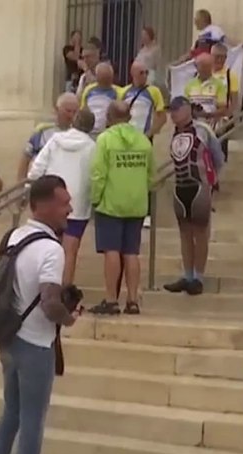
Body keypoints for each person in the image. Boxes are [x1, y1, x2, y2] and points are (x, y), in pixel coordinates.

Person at [0, 175, 78, 454]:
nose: (69, 207)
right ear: (44, 204)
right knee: (32, 420)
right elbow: (50, 301)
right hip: (35, 343)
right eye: (64, 202)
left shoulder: (14, 235)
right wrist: (69, 318)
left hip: (9, 337)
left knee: (12, 413)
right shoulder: (51, 248)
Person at [89, 101, 153, 315]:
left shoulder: (105, 139)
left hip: (111, 203)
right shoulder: (144, 140)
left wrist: (95, 199)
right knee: (131, 252)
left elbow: (99, 174)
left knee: (112, 251)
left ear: (109, 116)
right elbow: (151, 175)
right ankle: (133, 299)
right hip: (136, 203)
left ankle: (111, 299)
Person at [162, 97, 224, 296]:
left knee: (200, 231)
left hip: (199, 185)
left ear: (188, 109)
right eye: (171, 111)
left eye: (177, 110)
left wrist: (211, 179)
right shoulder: (174, 133)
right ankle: (187, 274)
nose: (173, 114)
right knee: (185, 233)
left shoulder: (203, 130)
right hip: (180, 186)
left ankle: (198, 276)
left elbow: (218, 156)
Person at [29, 109, 97, 286]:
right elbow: (94, 175)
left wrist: (30, 189)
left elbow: (37, 168)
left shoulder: (55, 140)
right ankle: (64, 290)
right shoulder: (92, 147)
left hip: (52, 201)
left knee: (48, 247)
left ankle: (47, 285)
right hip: (78, 205)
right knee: (70, 251)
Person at [19, 93, 80, 184]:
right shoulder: (42, 132)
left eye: (74, 112)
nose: (71, 115)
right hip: (40, 184)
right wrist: (21, 184)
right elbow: (26, 157)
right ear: (57, 110)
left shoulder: (79, 137)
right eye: (68, 111)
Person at [210, 42, 241, 157]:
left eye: (222, 57)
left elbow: (234, 100)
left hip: (222, 120)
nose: (219, 60)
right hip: (206, 118)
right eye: (216, 57)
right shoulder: (204, 73)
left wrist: (227, 118)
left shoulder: (230, 75)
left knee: (220, 154)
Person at [122, 60, 167, 139]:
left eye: (147, 72)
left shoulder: (154, 91)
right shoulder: (124, 91)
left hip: (144, 136)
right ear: (133, 73)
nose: (145, 75)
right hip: (126, 136)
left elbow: (162, 117)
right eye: (141, 73)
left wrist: (149, 133)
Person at [80, 62, 124, 136]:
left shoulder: (118, 92)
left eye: (107, 77)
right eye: (103, 77)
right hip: (90, 132)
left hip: (109, 133)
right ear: (97, 77)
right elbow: (84, 109)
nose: (105, 80)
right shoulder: (89, 90)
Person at [184, 53, 229, 121]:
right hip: (193, 124)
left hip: (211, 125)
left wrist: (208, 115)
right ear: (197, 68)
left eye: (207, 67)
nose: (205, 70)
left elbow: (223, 109)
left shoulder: (219, 84)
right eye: (203, 67)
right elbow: (184, 106)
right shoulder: (190, 84)